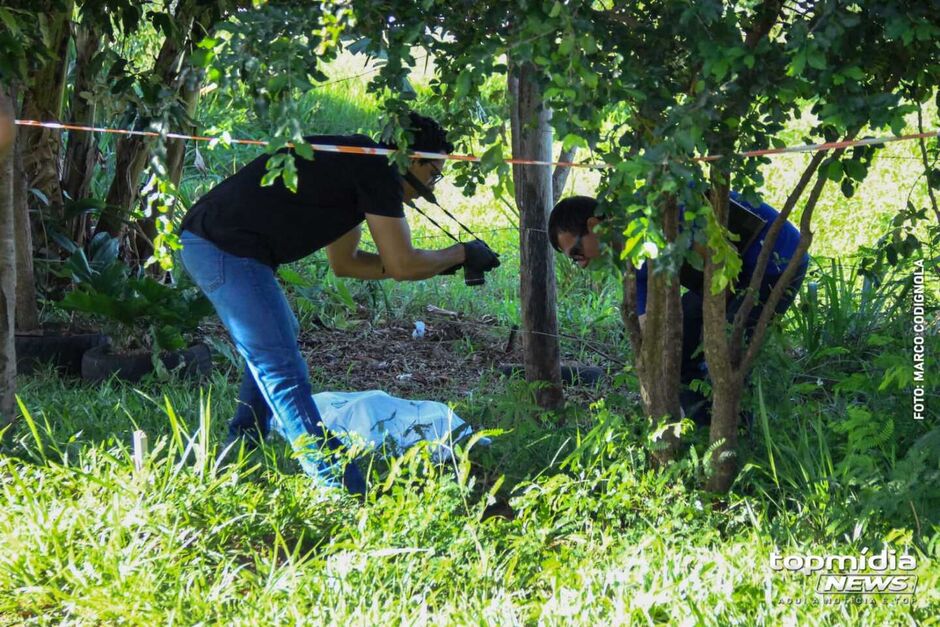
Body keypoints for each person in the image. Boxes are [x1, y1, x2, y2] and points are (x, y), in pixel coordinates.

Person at [179, 113, 500, 494]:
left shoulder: (360, 165)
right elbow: (401, 264)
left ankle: (244, 442)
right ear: (411, 159)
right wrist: (459, 254)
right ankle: (340, 487)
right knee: (281, 367)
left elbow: (346, 263)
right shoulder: (378, 171)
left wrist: (445, 263)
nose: (432, 186)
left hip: (221, 244)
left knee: (280, 340)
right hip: (221, 245)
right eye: (434, 173)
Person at [548, 192, 808, 425]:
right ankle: (698, 426)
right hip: (722, 278)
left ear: (594, 226)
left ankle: (734, 440)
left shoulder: (654, 216)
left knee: (727, 353)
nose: (580, 264)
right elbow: (648, 324)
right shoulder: (631, 254)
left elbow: (721, 272)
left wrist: (712, 336)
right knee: (682, 348)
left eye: (577, 253)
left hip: (774, 262)